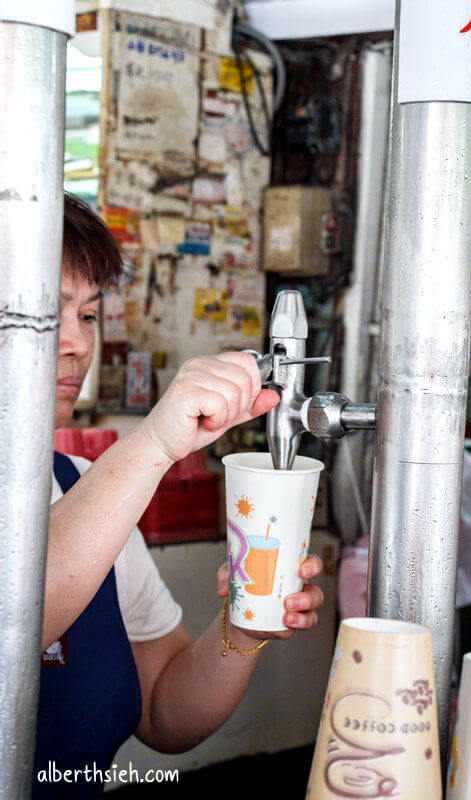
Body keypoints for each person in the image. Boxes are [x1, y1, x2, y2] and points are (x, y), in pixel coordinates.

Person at [33, 194, 324, 798]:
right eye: (45, 312)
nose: (77, 344)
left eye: (88, 316)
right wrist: (153, 445)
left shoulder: (87, 487)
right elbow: (16, 620)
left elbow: (165, 709)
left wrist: (242, 629)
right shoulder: (116, 482)